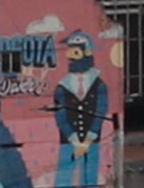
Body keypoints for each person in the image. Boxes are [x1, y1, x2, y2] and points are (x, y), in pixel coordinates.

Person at [46, 31, 110, 188]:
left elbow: (100, 112)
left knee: (90, 178)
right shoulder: (62, 87)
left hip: (92, 142)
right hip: (68, 143)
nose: (70, 58)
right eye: (69, 52)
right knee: (63, 179)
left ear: (86, 52)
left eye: (75, 52)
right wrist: (75, 140)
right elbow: (60, 115)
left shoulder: (99, 85)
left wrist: (88, 140)